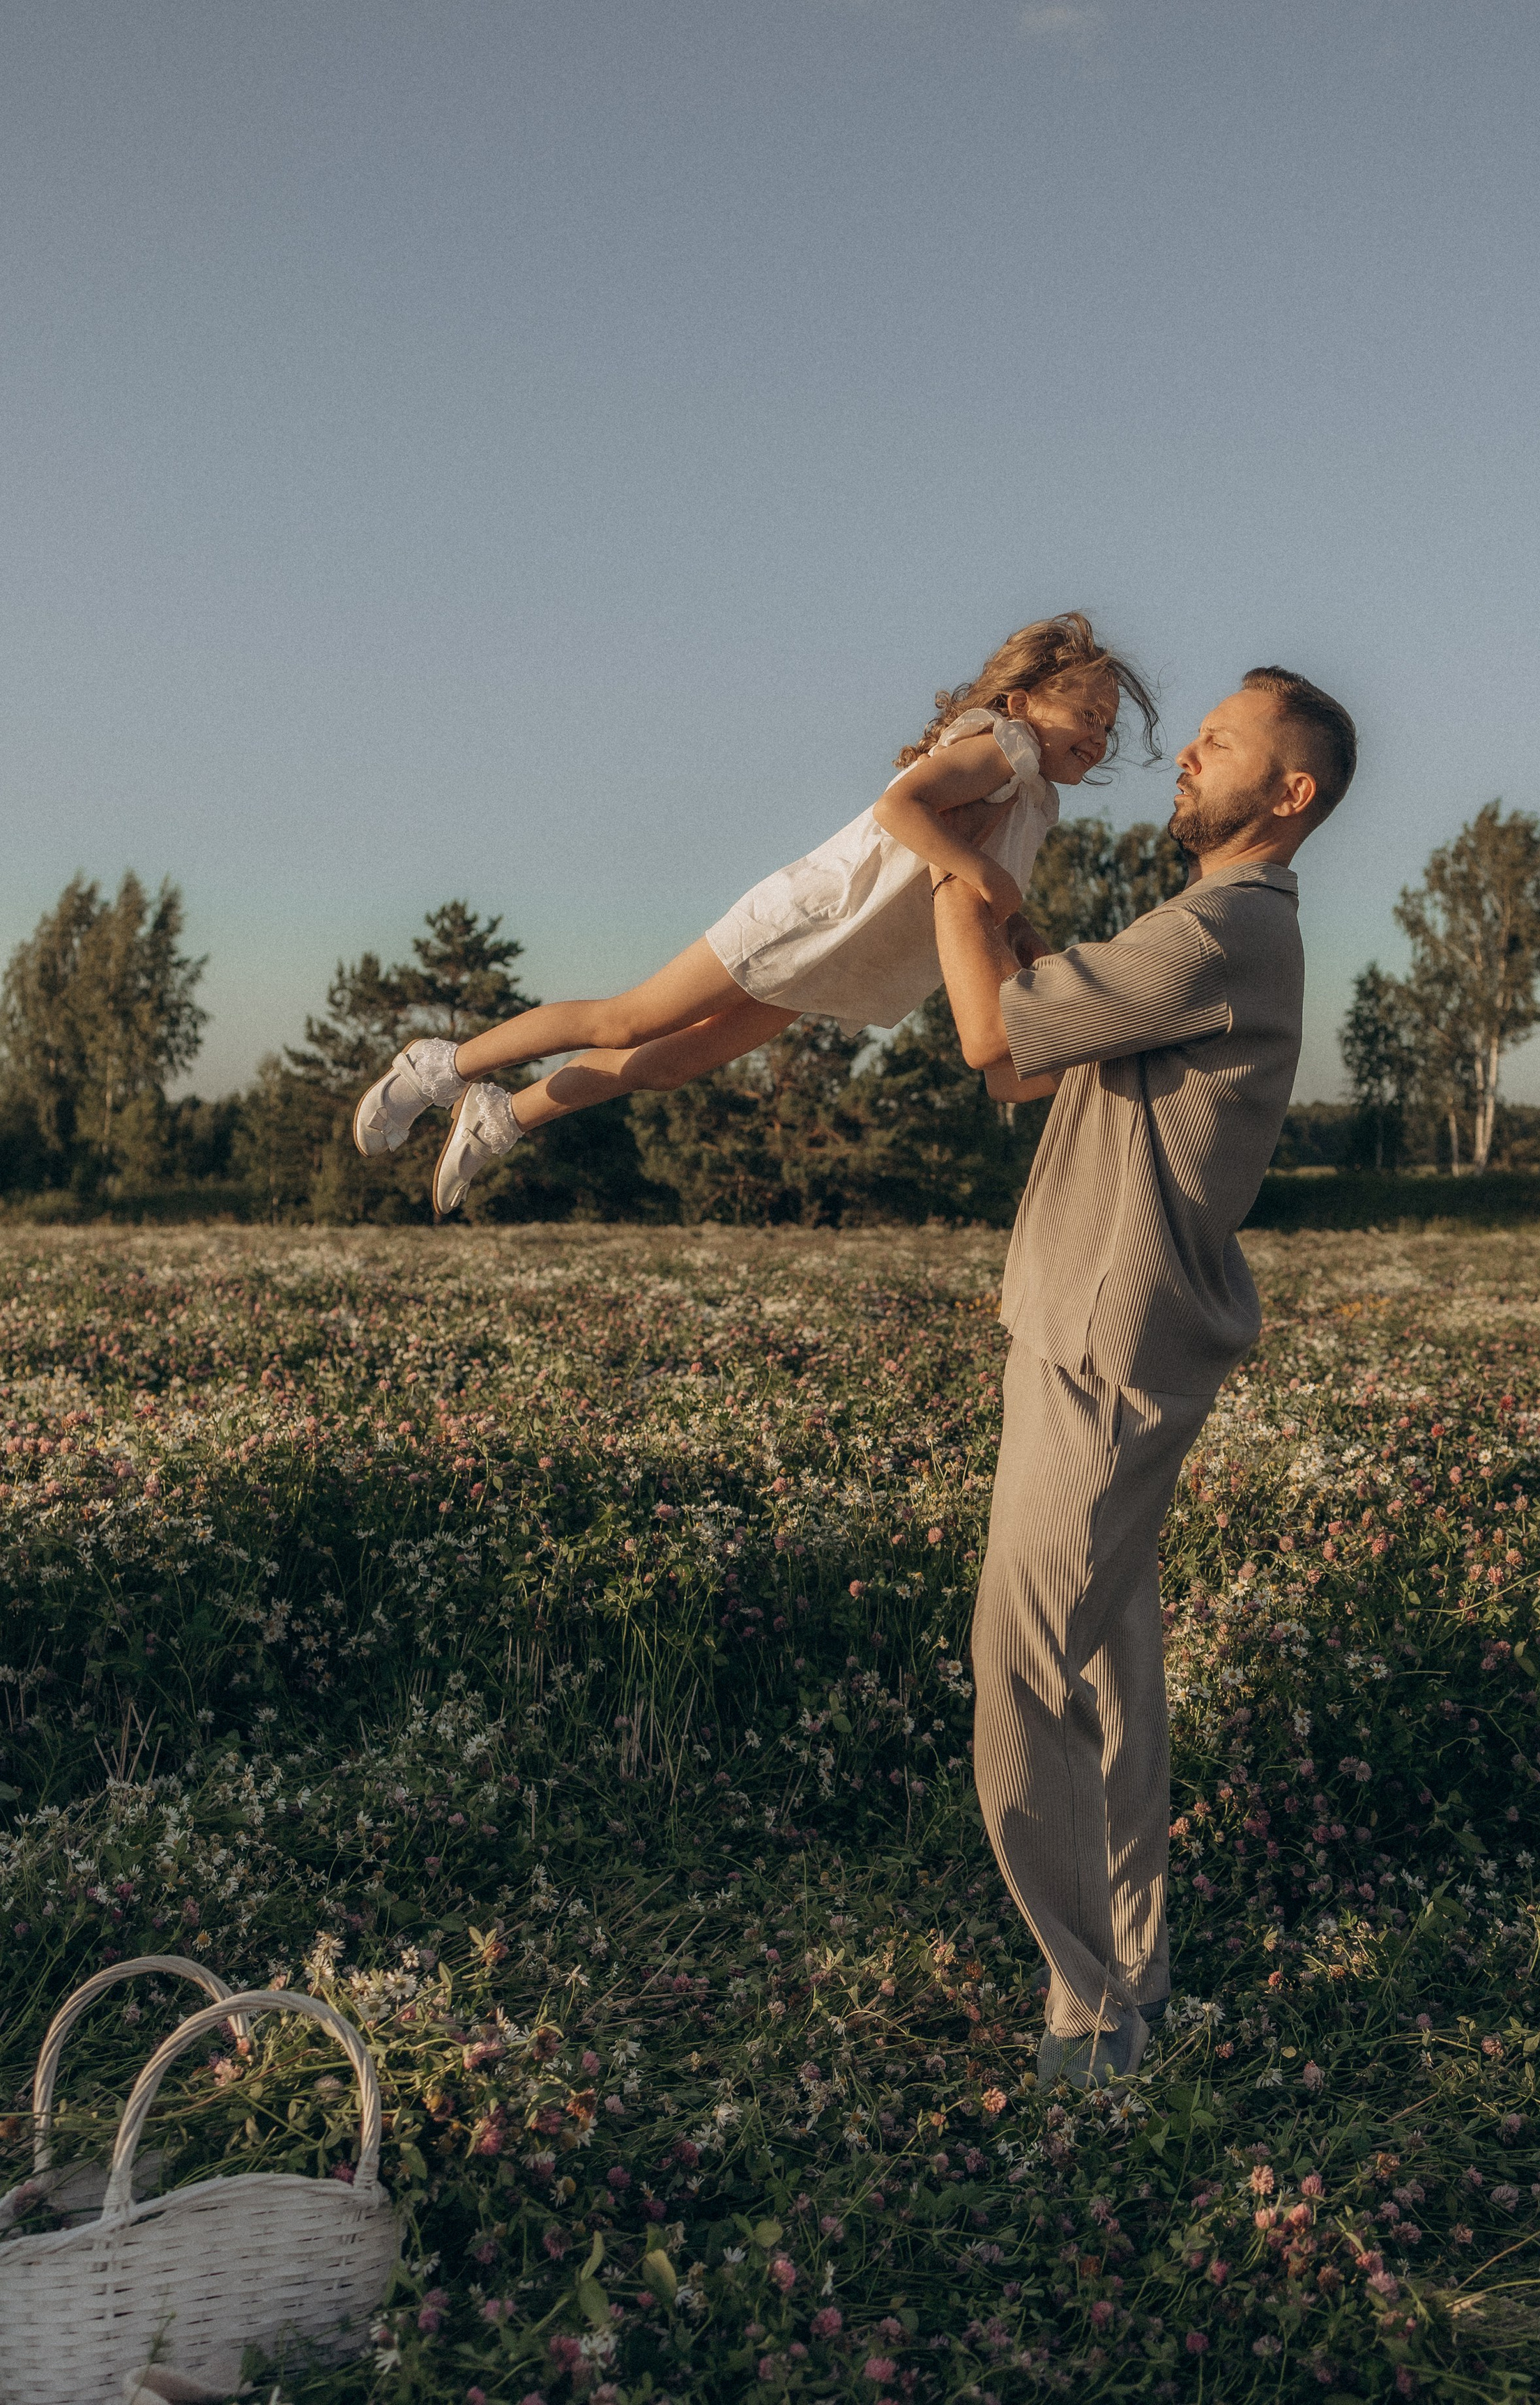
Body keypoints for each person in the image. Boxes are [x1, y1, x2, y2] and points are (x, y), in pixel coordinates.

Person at [928, 663, 1357, 2092]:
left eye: (1218, 744)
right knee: (1104, 1685)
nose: (1183, 753)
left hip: (1104, 1356)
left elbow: (991, 1038)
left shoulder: (1222, 929)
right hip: (1081, 1332)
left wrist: (938, 850)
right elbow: (1039, 1056)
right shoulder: (1207, 931)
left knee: (1020, 1676)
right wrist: (995, 891)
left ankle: (1089, 2018)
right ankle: (1131, 1980)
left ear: (1284, 795)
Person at [351, 613, 1158, 1214]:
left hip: (838, 957)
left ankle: (505, 1115)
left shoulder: (1035, 796)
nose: (1099, 734)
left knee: (670, 1066)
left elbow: (987, 899)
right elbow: (901, 811)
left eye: (1108, 726)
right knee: (628, 1020)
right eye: (1086, 714)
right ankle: (440, 1069)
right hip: (807, 917)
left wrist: (1028, 942)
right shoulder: (1002, 747)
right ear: (1022, 701)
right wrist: (984, 874)